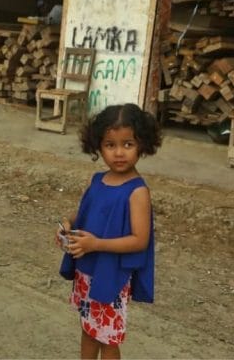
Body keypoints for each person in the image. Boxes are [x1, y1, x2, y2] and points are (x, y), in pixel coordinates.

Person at [56, 103, 162, 359]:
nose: (119, 153)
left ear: (142, 144)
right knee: (89, 329)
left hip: (111, 275)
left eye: (128, 144)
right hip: (86, 271)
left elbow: (140, 240)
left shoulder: (137, 191)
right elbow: (85, 214)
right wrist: (67, 224)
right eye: (110, 145)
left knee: (108, 338)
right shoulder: (97, 180)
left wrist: (96, 244)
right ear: (98, 146)